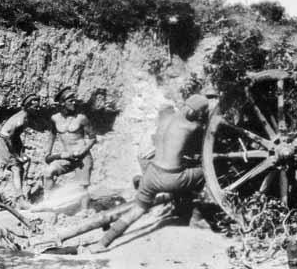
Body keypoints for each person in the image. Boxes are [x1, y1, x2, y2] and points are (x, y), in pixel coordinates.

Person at [89, 94, 211, 253]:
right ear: (195, 113)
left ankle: (102, 243)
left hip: (151, 174)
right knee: (205, 173)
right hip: (171, 178)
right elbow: (206, 134)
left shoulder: (165, 119)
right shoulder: (192, 127)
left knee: (136, 210)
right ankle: (197, 216)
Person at [43, 87, 96, 207]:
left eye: (74, 100)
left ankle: (84, 212)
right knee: (48, 172)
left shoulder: (81, 118)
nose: (74, 102)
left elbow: (93, 138)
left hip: (82, 158)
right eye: (70, 101)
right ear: (62, 103)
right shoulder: (55, 118)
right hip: (67, 157)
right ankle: (46, 203)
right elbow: (52, 135)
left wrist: (82, 151)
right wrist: (48, 153)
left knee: (82, 186)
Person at [0, 93, 40, 209]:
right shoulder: (20, 119)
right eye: (35, 107)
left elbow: (16, 137)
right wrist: (15, 155)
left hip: (10, 141)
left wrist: (21, 151)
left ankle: (18, 198)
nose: (37, 109)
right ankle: (20, 200)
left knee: (20, 168)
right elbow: (8, 136)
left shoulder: (25, 118)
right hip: (3, 142)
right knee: (16, 168)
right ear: (28, 106)